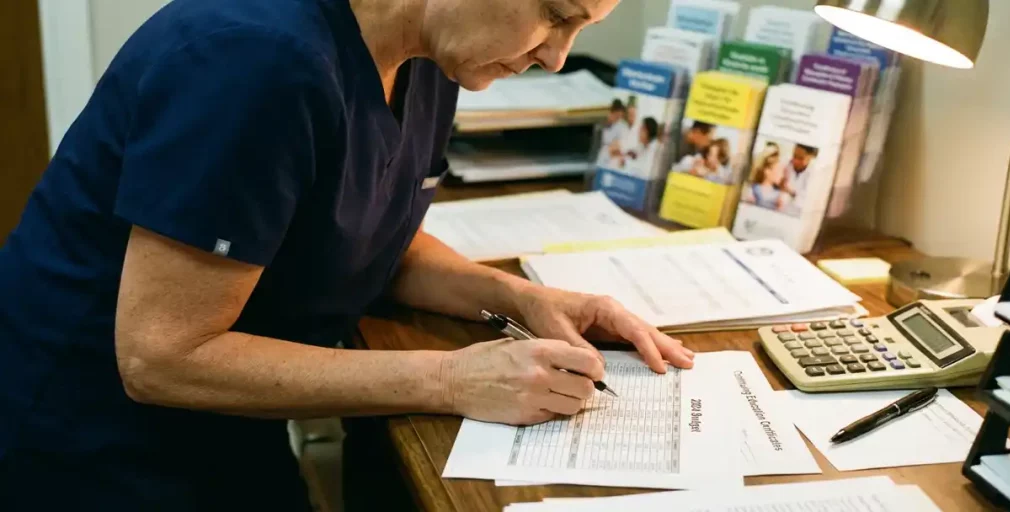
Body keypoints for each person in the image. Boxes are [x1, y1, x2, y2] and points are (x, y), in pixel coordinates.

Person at [0, 0, 695, 509]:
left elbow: (361, 232)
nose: (556, 56)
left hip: (228, 421)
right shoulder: (256, 59)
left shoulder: (431, 55)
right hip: (88, 443)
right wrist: (449, 379)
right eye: (553, 14)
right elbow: (160, 355)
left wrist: (521, 298)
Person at [744, 144, 790, 211]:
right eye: (777, 171)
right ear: (767, 171)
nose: (782, 176)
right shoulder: (753, 189)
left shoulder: (779, 195)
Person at [779, 144, 819, 215]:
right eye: (794, 156)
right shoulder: (785, 163)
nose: (795, 161)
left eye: (800, 158)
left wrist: (791, 193)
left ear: (811, 157)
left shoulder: (815, 173)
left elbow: (807, 202)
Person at [597, 99, 628, 167]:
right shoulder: (601, 122)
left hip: (612, 158)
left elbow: (619, 146)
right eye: (616, 115)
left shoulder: (622, 126)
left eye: (620, 116)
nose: (618, 118)